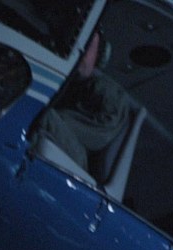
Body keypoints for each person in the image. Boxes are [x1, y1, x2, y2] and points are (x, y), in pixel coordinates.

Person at [37, 30, 134, 173]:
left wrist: (54, 117)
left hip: (78, 159)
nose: (79, 50)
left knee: (40, 112)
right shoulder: (70, 83)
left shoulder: (110, 91)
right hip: (64, 145)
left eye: (87, 46)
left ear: (99, 57)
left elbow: (100, 135)